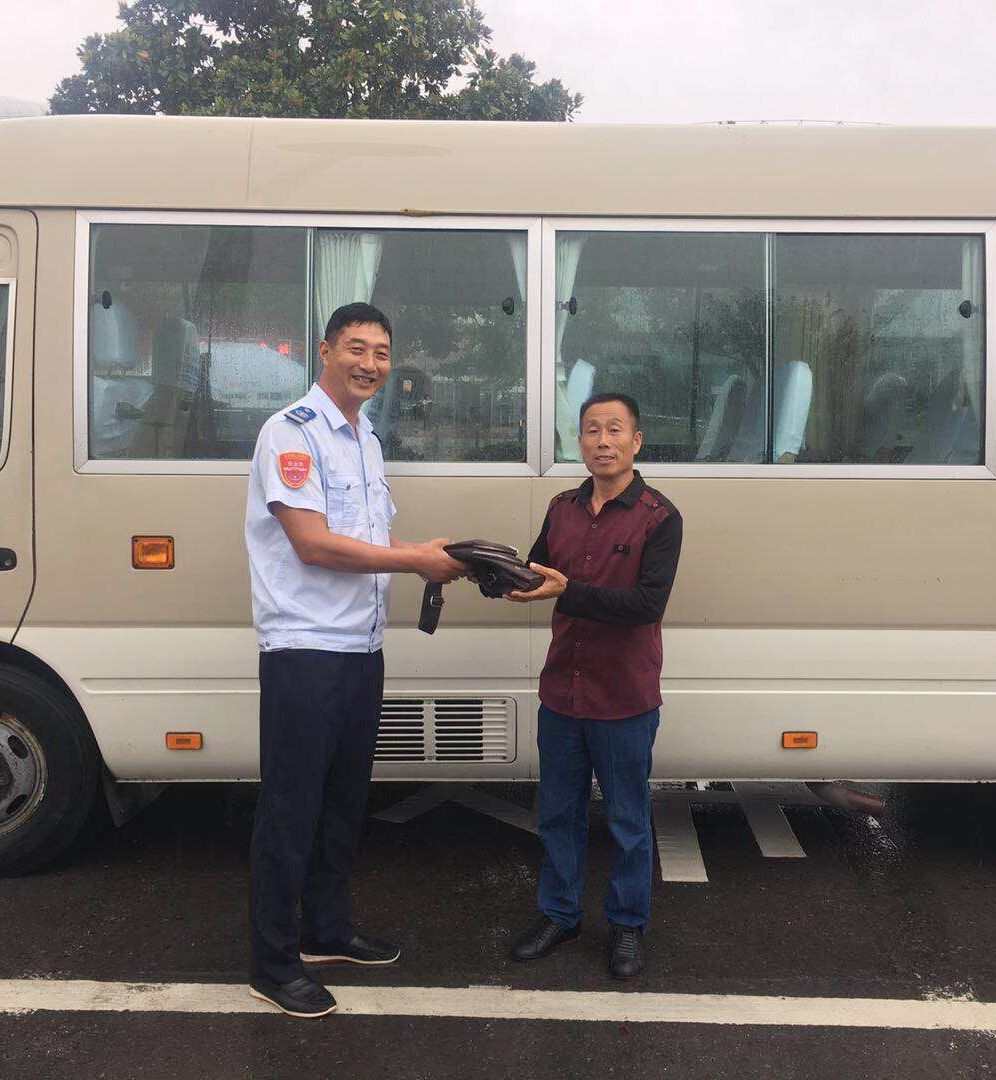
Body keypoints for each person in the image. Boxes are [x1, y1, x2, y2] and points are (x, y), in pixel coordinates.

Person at [243, 301, 465, 1018]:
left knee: (343, 803)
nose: (370, 364)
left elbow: (367, 539)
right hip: (305, 650)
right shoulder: (292, 433)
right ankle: (273, 963)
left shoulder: (365, 437)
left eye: (382, 353)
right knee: (291, 809)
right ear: (326, 351)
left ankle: (326, 931)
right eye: (357, 348)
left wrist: (424, 554)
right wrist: (416, 561)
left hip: (360, 648)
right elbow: (313, 544)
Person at [506, 391, 684, 979]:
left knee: (628, 821)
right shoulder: (561, 508)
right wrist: (490, 571)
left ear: (636, 441)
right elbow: (536, 571)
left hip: (624, 697)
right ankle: (560, 915)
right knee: (558, 814)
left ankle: (628, 925)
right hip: (562, 691)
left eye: (614, 429)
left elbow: (646, 605)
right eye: (590, 430)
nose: (602, 441)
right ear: (578, 441)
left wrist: (568, 592)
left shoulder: (660, 517)